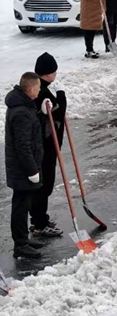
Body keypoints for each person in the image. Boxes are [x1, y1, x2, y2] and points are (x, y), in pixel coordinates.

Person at [6, 72, 45, 258]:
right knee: (20, 206)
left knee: (24, 203)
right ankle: (20, 245)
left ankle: (23, 239)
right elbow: (22, 146)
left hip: (24, 167)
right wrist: (31, 170)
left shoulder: (24, 105)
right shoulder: (20, 112)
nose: (39, 92)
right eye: (37, 88)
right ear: (30, 89)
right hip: (22, 169)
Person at [30, 53, 64, 239]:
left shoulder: (40, 88)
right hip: (44, 146)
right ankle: (38, 224)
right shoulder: (41, 91)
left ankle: (39, 218)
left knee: (44, 185)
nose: (56, 75)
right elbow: (59, 111)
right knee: (44, 185)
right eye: (54, 71)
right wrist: (61, 95)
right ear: (47, 73)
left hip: (45, 144)